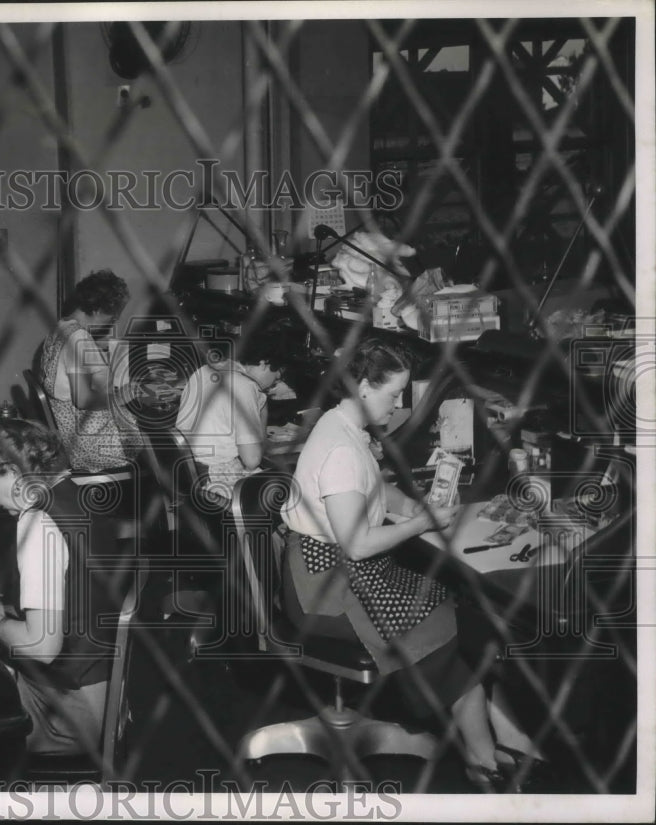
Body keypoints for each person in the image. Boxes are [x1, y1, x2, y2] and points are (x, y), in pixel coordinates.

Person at [280, 338, 536, 791]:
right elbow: (357, 544)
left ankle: (492, 741)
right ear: (362, 386)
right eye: (393, 395)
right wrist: (420, 526)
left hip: (342, 569)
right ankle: (483, 756)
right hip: (325, 586)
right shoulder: (339, 449)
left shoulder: (342, 424)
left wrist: (413, 509)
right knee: (439, 623)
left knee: (457, 610)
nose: (398, 406)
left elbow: (375, 488)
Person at [0, 417, 126, 754]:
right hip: (110, 696)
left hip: (70, 715)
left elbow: (40, 646)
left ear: (12, 469)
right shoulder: (75, 493)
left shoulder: (36, 523)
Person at [36, 269, 140, 472]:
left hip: (72, 439)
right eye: (113, 314)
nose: (115, 320)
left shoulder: (60, 328)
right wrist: (121, 397)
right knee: (163, 440)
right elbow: (83, 400)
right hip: (91, 446)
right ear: (99, 310)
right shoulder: (79, 340)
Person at [175, 331, 286, 498]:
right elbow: (252, 460)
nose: (276, 379)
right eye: (277, 374)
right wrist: (263, 408)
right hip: (212, 481)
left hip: (184, 474)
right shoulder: (244, 386)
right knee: (285, 487)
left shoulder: (204, 370)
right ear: (263, 364)